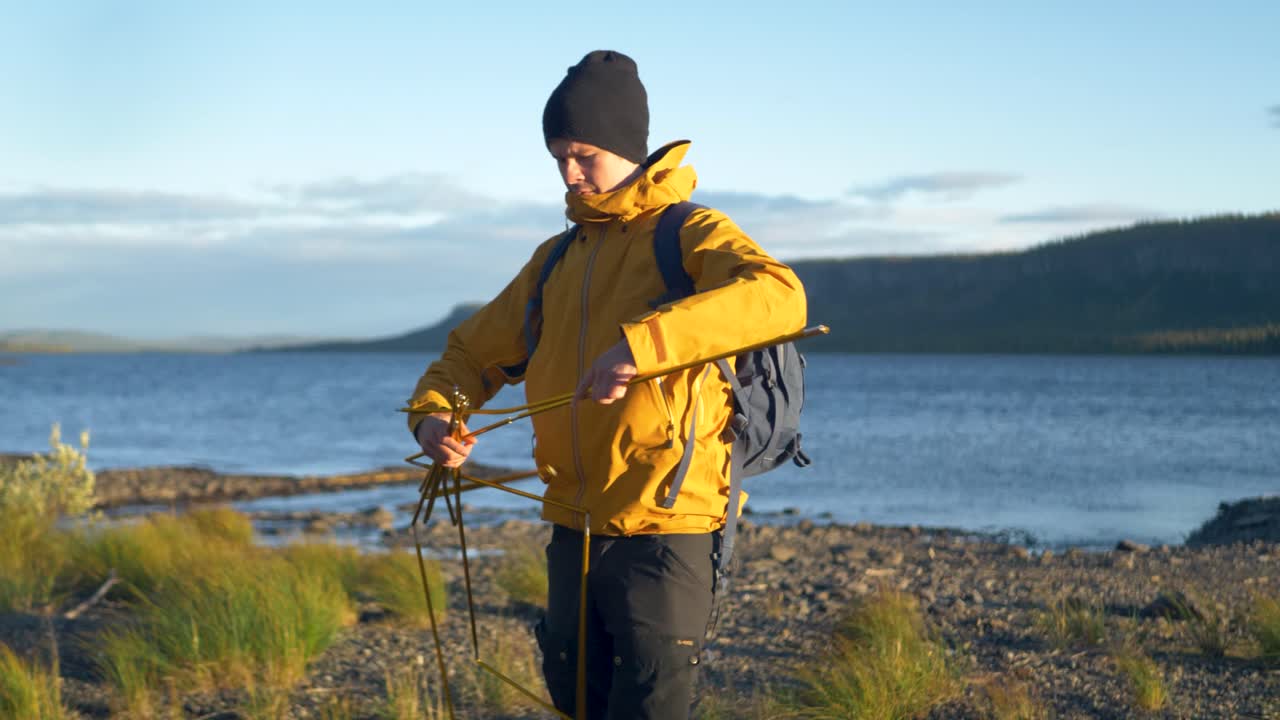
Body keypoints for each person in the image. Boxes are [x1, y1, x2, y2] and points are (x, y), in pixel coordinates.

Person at [407, 49, 806, 720]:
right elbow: (472, 352)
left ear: (627, 148)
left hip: (669, 528)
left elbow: (778, 296)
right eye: (558, 157)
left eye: (584, 155)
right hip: (573, 524)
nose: (569, 174)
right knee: (575, 703)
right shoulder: (557, 258)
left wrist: (644, 343)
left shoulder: (690, 232)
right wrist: (434, 415)